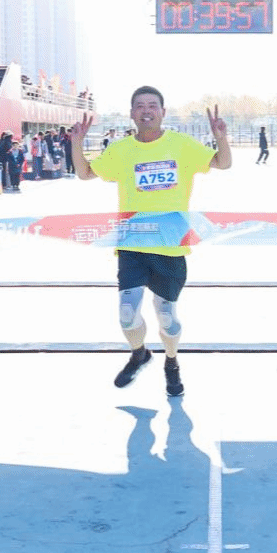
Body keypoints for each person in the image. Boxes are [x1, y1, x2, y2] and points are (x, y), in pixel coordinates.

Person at [70, 86, 231, 397]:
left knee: (167, 316)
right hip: (132, 243)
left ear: (162, 112)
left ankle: (171, 362)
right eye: (140, 106)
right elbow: (85, 173)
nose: (146, 110)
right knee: (126, 314)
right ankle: (139, 354)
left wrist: (221, 138)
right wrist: (76, 144)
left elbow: (222, 163)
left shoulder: (181, 145)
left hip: (169, 246)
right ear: (132, 113)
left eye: (152, 105)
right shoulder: (120, 150)